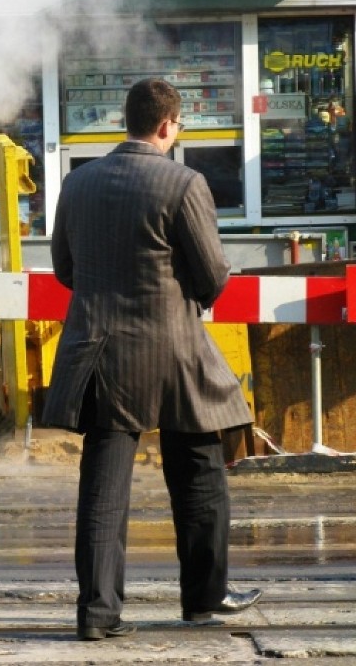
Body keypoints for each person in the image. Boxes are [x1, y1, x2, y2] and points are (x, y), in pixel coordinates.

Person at [42, 78, 262, 640]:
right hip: (174, 353)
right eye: (180, 125)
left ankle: (97, 615)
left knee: (103, 488)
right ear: (167, 125)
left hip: (99, 352)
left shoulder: (78, 183)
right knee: (199, 475)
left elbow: (65, 270)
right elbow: (212, 278)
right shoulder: (184, 183)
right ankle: (204, 599)